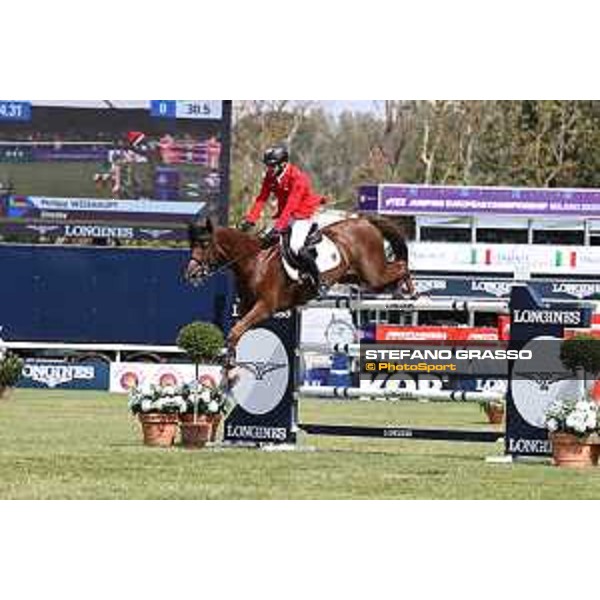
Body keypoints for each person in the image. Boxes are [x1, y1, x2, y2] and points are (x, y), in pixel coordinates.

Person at [238, 144, 326, 293]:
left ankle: (318, 281)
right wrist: (251, 219)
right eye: (268, 166)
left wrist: (278, 228)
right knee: (263, 241)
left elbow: (291, 205)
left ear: (283, 164)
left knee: (295, 246)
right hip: (285, 214)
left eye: (272, 166)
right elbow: (262, 198)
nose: (269, 169)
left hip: (303, 213)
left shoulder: (298, 178)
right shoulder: (271, 176)